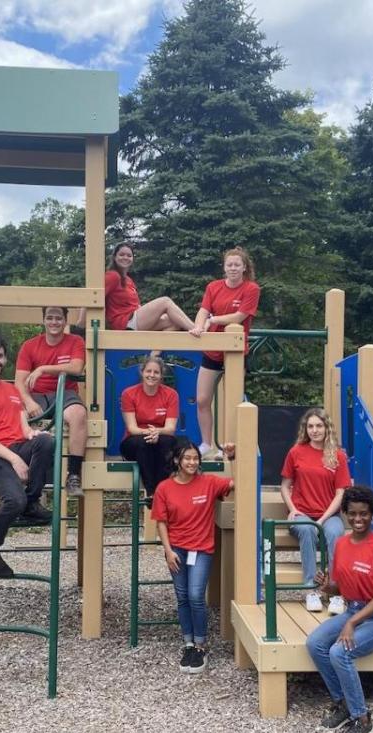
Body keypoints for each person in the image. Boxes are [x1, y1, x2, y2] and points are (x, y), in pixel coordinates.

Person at [306, 485, 373, 733]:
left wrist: (351, 622)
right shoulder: (342, 544)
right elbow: (339, 586)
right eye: (353, 514)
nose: (358, 519)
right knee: (315, 644)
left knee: (339, 652)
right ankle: (343, 703)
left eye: (364, 514)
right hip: (353, 610)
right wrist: (326, 586)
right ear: (345, 514)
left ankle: (363, 719)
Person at [0, 333, 56, 579]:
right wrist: (14, 459)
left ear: (5, 358)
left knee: (46, 440)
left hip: (16, 446)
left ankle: (31, 502)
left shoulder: (11, 390)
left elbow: (22, 425)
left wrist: (31, 433)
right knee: (14, 501)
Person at [151, 439, 236, 674]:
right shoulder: (164, 488)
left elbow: (237, 482)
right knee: (182, 597)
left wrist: (232, 458)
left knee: (196, 595)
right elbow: (161, 521)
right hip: (176, 549)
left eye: (195, 458)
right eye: (187, 458)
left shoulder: (208, 483)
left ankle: (200, 645)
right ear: (177, 460)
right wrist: (167, 551)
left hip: (200, 549)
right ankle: (187, 642)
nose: (191, 462)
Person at [190, 247, 260, 457]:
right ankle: (206, 443)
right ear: (224, 267)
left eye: (237, 264)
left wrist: (214, 319)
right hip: (212, 351)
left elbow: (239, 317)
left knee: (233, 401)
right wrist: (199, 325)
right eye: (229, 264)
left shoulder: (251, 288)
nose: (232, 268)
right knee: (202, 399)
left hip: (235, 352)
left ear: (244, 267)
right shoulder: (213, 287)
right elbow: (203, 310)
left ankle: (228, 446)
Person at [280, 408, 351, 614]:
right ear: (305, 429)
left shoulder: (337, 455)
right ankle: (311, 590)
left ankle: (337, 593)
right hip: (301, 512)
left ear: (326, 428)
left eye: (319, 426)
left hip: (328, 514)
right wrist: (292, 509)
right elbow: (285, 485)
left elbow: (340, 493)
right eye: (310, 426)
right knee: (307, 530)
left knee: (336, 533)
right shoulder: (296, 452)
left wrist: (321, 519)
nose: (314, 430)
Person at [16, 307, 87, 497]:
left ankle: (73, 474)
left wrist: (43, 369)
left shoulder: (75, 341)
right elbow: (19, 382)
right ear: (44, 321)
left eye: (58, 318)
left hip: (65, 393)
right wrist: (29, 402)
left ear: (65, 321)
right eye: (50, 318)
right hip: (37, 395)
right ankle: (18, 471)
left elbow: (76, 367)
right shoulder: (30, 346)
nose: (54, 322)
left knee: (78, 414)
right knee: (15, 413)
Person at [120, 354, 179, 499]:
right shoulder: (129, 394)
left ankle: (161, 490)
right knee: (143, 443)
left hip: (160, 438)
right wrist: (150, 433)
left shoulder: (171, 395)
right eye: (148, 371)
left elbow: (170, 428)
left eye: (156, 372)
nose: (152, 375)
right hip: (135, 439)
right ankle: (151, 490)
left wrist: (157, 433)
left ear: (161, 375)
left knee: (168, 442)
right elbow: (132, 428)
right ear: (142, 372)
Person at [104, 243, 199, 333]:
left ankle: (153, 351)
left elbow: (135, 305)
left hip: (134, 320)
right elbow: (97, 298)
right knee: (165, 301)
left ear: (132, 259)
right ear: (114, 257)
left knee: (174, 321)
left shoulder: (128, 280)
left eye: (129, 255)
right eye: (121, 255)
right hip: (124, 323)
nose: (125, 257)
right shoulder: (112, 276)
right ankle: (198, 331)